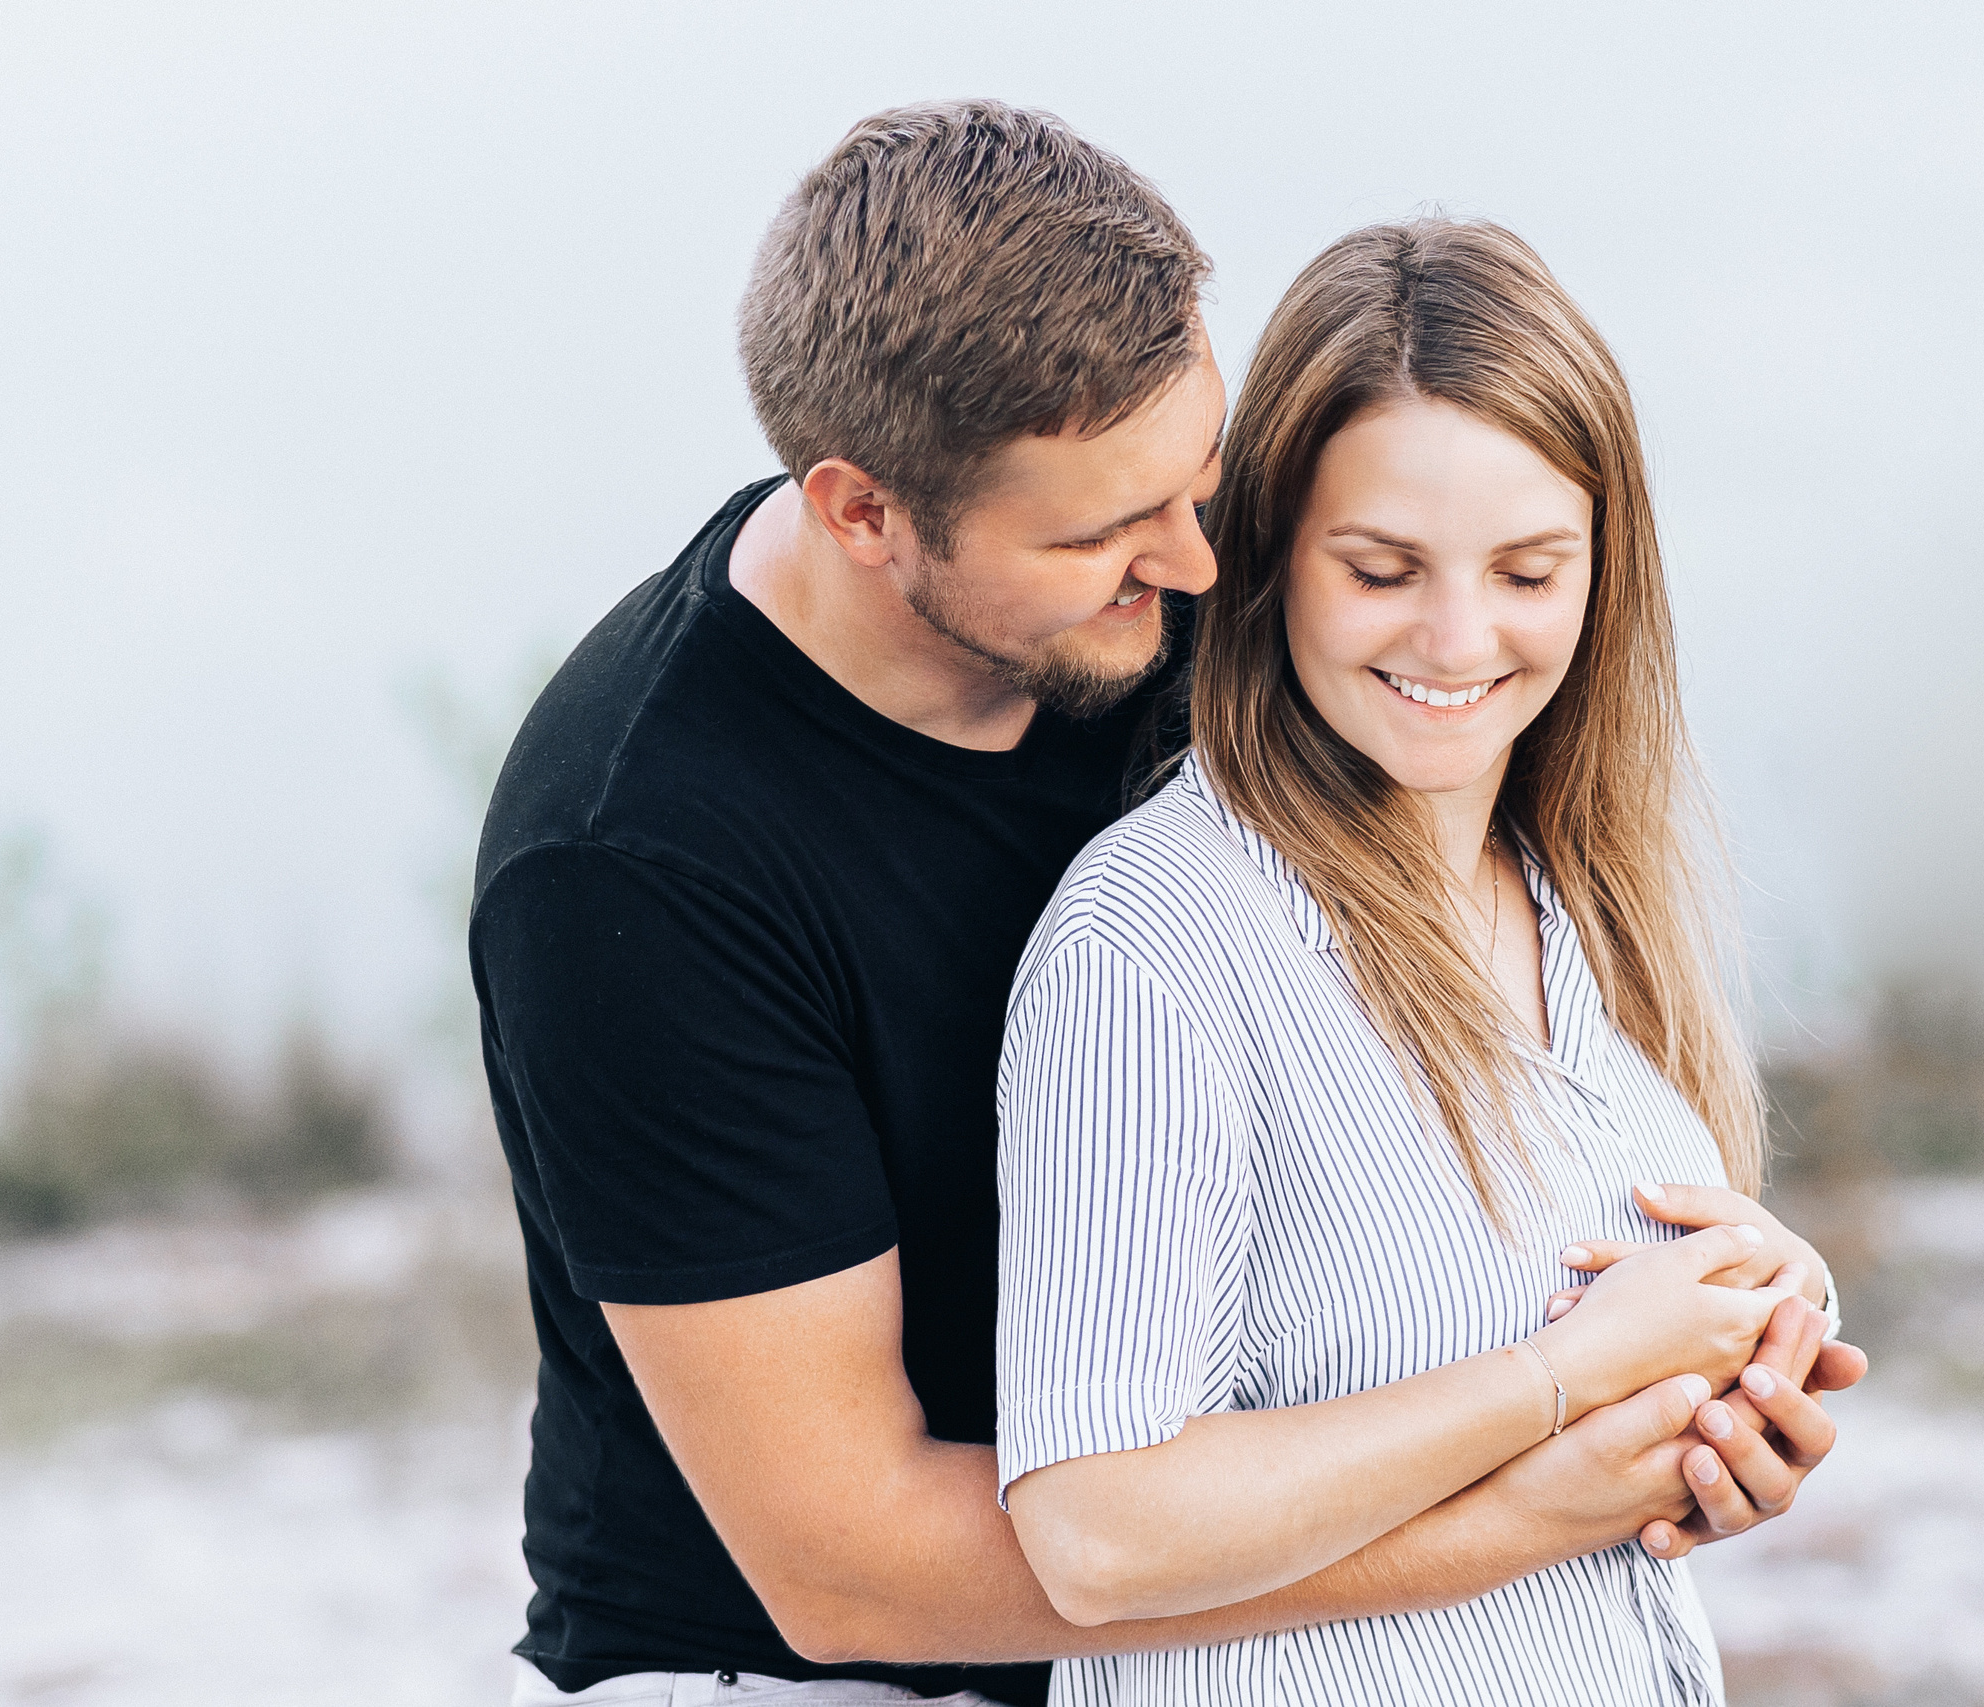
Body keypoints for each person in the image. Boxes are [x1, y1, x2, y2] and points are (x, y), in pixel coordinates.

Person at [474, 100, 1861, 1707]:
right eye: (1110, 532)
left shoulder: (1144, 611)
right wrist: (1530, 1503)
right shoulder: (633, 863)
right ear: (865, 513)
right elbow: (849, 1569)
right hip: (795, 1669)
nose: (1203, 570)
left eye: (1198, 480)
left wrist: (1730, 1355)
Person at [996, 218, 1845, 1706]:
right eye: (1383, 568)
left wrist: (1756, 1346)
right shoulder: (1156, 945)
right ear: (1266, 561)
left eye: (1529, 570)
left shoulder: (1582, 898)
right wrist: (1564, 1383)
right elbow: (1096, 1530)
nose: (1459, 639)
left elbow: (1586, 1396)